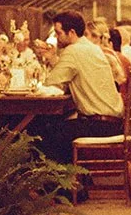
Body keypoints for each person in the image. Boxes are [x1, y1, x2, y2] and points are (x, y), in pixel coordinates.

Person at [31, 12, 125, 164]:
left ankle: (61, 185)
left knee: (40, 133)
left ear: (72, 33)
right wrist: (54, 59)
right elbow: (71, 74)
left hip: (98, 125)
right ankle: (77, 181)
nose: (56, 37)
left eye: (59, 33)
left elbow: (51, 83)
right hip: (113, 122)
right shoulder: (91, 47)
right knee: (55, 127)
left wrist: (52, 62)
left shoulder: (73, 51)